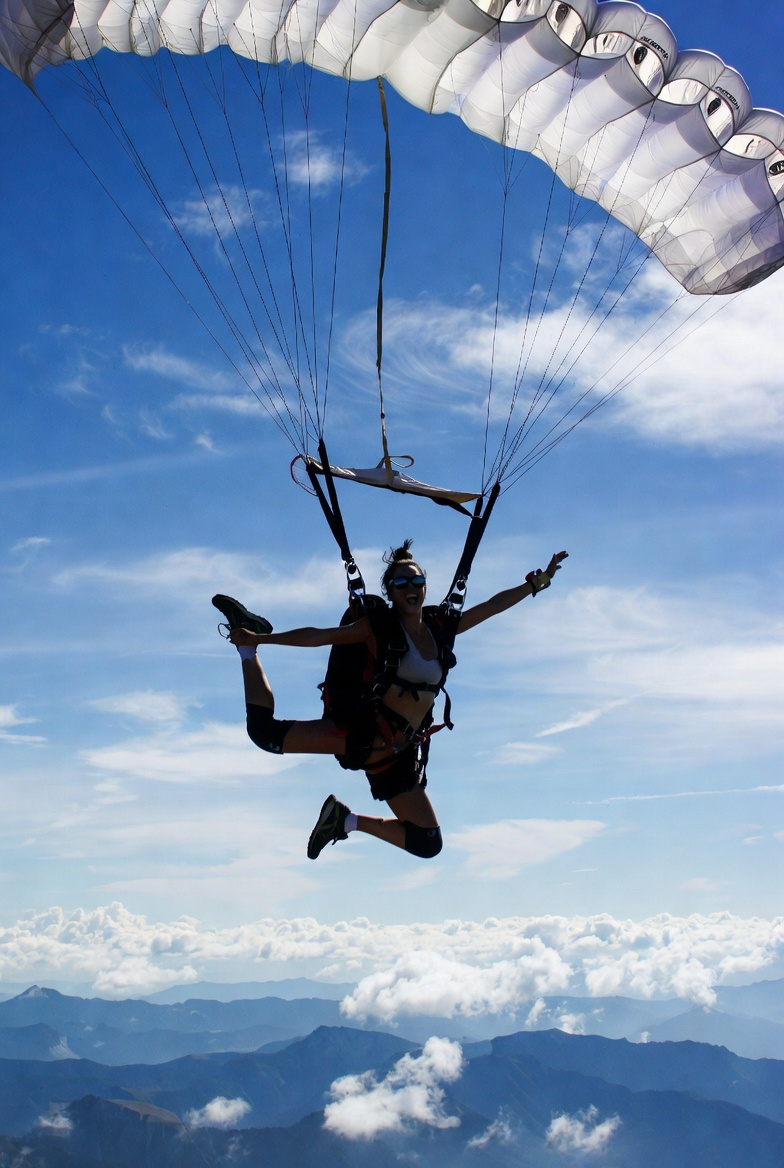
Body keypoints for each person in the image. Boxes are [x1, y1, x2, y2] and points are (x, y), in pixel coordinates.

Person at [213, 541, 567, 862]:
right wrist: (265, 639)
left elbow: (491, 607)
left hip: (397, 755)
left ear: (425, 587)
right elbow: (321, 637)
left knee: (428, 842)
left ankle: (345, 820)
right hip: (361, 733)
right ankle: (248, 647)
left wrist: (537, 583)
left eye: (416, 582)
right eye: (401, 584)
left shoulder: (440, 628)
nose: (410, 589)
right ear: (391, 593)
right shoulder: (379, 629)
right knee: (264, 733)